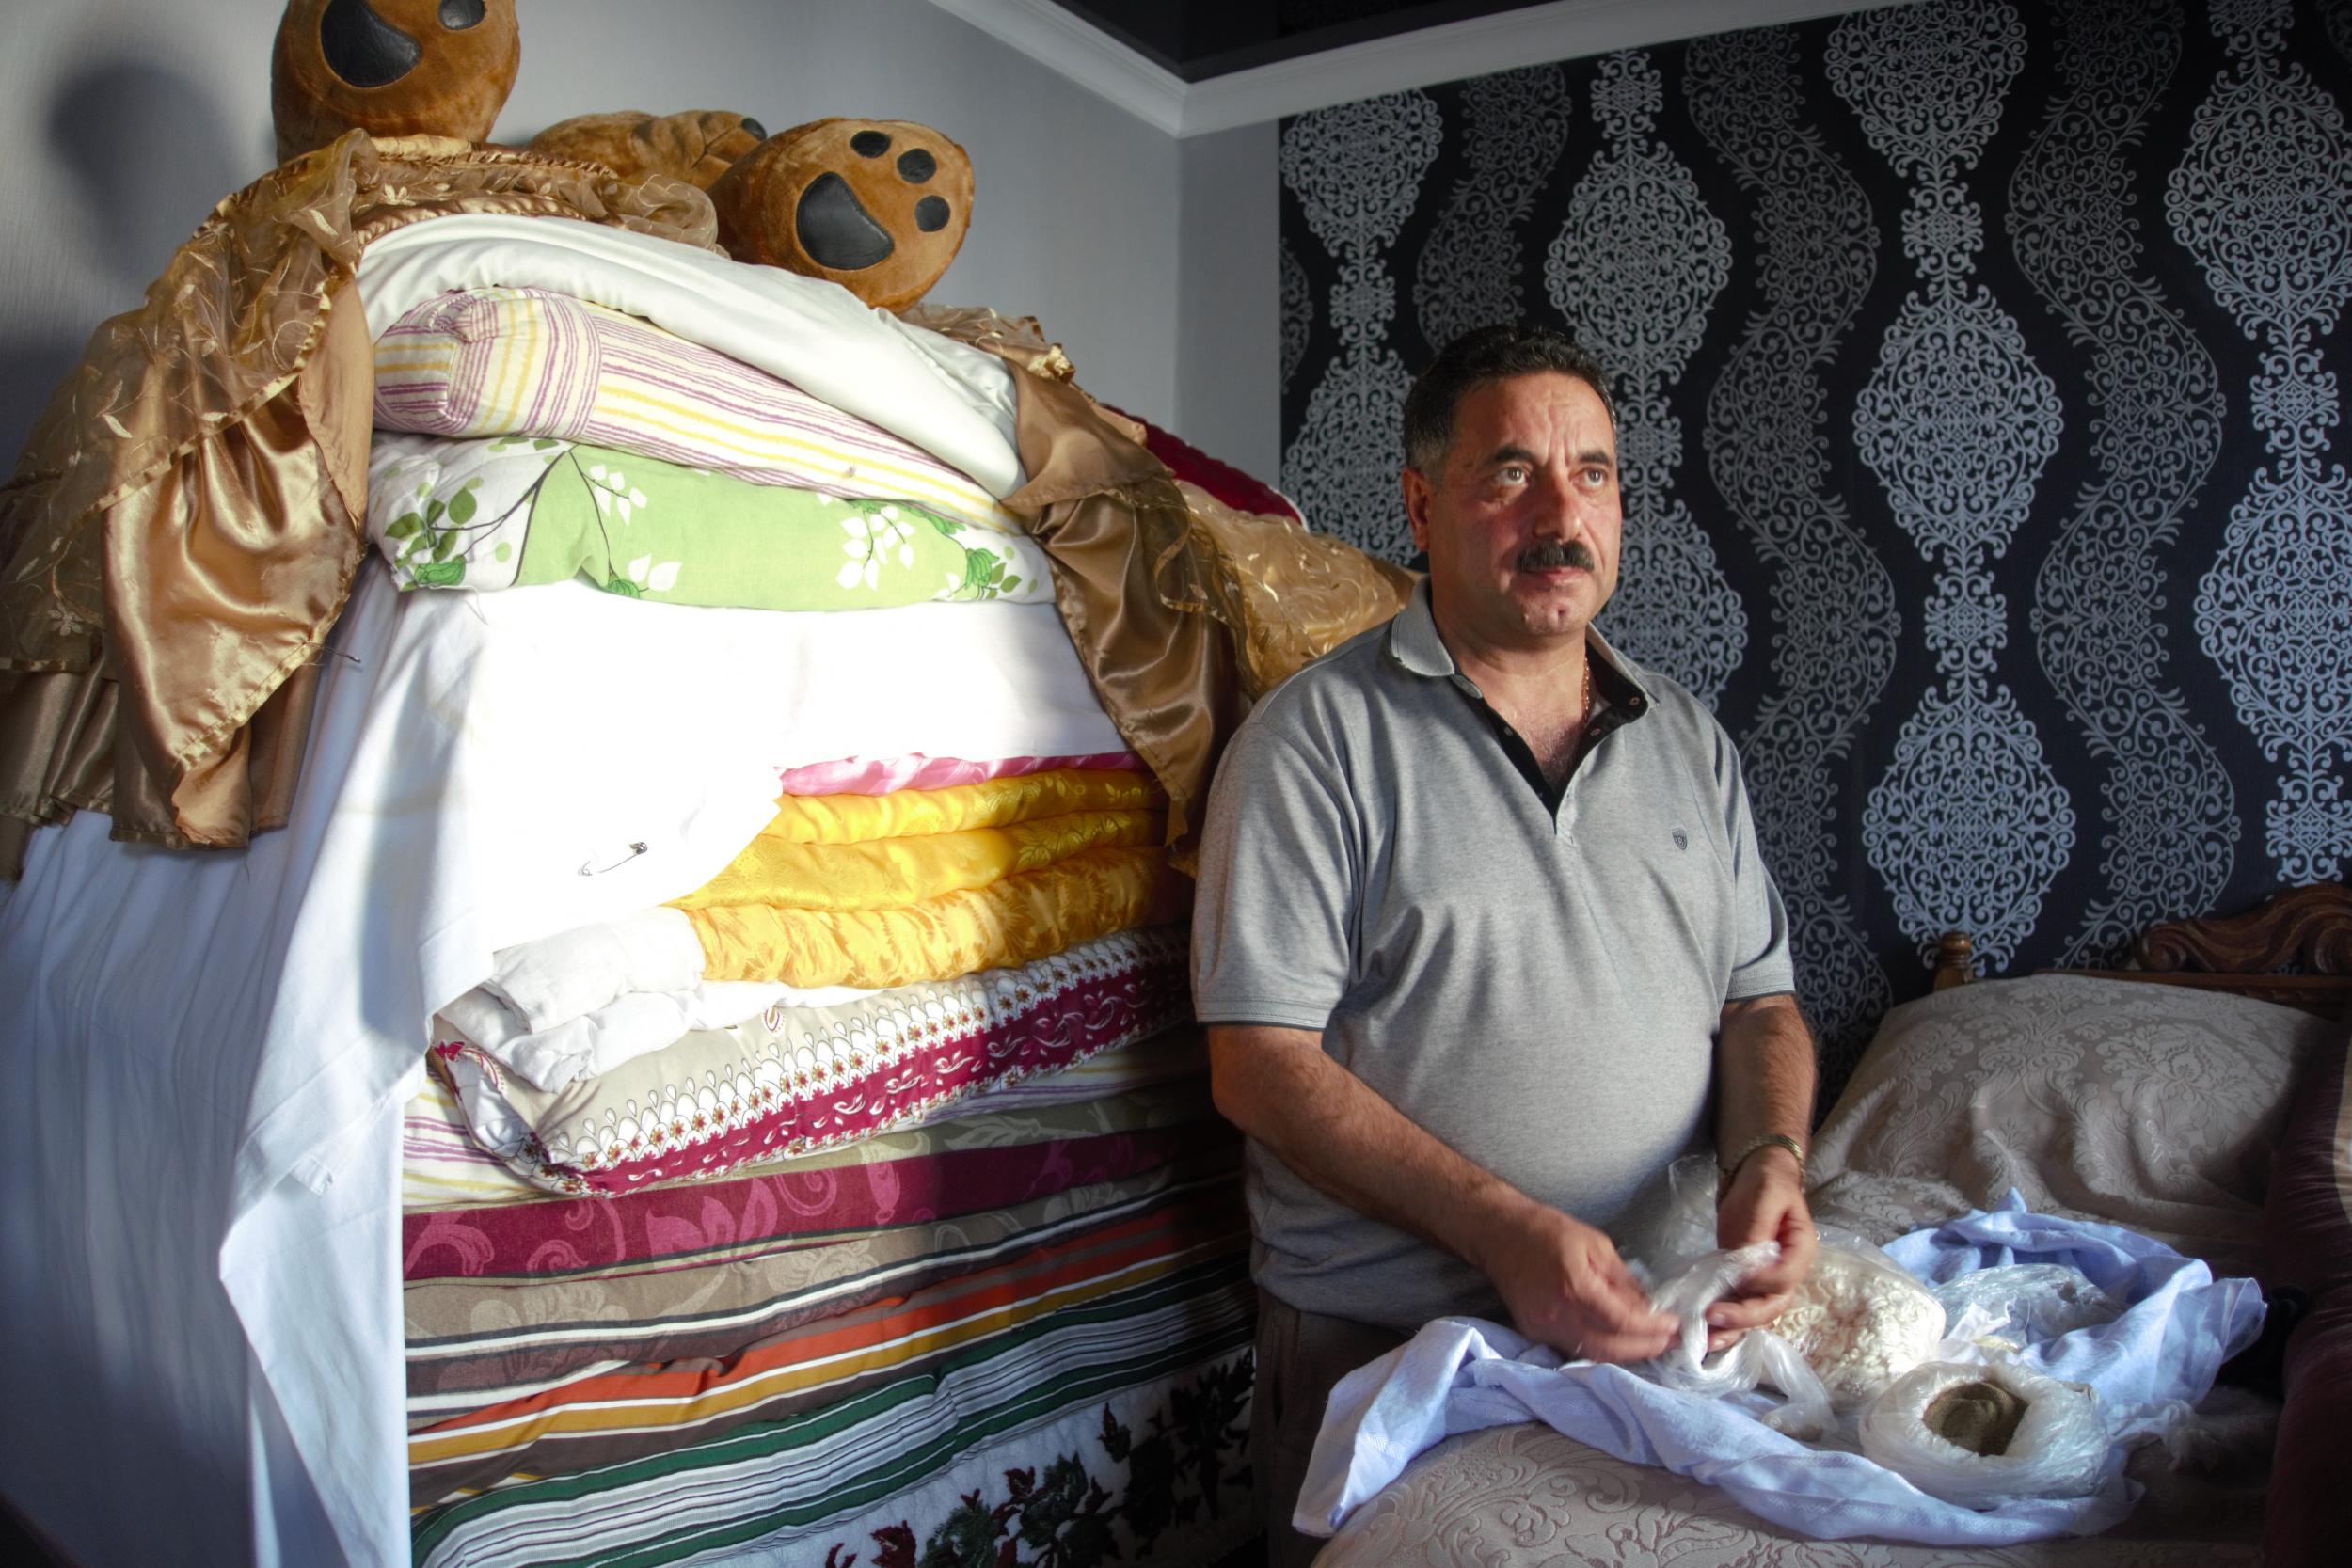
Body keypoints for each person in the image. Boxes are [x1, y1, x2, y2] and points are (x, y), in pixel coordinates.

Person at [1190, 323, 1819, 1565]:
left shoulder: (1688, 739)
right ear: (1422, 506)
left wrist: (1772, 1155)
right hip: (1387, 1344)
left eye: (1592, 473)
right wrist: (1504, 1232)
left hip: (1649, 1329)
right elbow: (1256, 1060)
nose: (1560, 512)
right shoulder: (1316, 744)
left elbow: (1761, 1004)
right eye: (1510, 474)